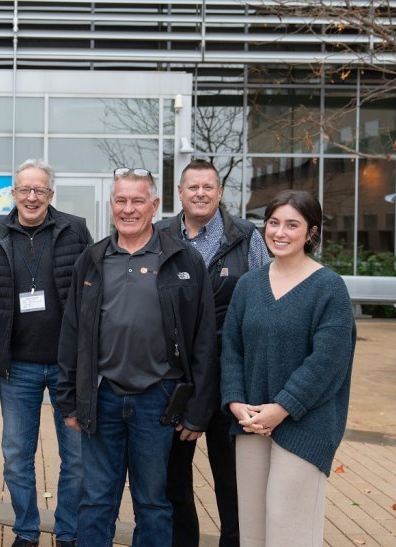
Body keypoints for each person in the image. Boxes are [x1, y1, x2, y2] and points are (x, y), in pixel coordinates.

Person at [57, 167, 217, 547]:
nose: (128, 209)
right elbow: (72, 334)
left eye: (137, 201)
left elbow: (204, 339)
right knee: (96, 500)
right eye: (121, 200)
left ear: (154, 205)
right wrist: (69, 400)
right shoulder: (92, 259)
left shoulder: (184, 260)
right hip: (103, 398)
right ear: (111, 204)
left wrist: (198, 410)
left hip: (158, 401)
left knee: (153, 503)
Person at [0, 159, 91, 547]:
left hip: (67, 366)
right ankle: (26, 530)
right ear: (14, 193)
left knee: (76, 459)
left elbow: (92, 295)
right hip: (15, 367)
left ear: (51, 194)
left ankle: (68, 532)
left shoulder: (75, 229)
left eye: (40, 190)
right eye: (25, 190)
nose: (32, 197)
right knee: (17, 457)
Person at [221, 190, 356, 546]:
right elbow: (231, 348)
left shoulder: (329, 288)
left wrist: (281, 408)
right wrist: (235, 402)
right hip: (251, 421)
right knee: (251, 530)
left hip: (304, 424)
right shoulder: (249, 285)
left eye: (292, 225)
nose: (279, 232)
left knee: (288, 529)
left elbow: (327, 362)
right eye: (273, 223)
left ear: (311, 232)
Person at [158, 159, 270, 547]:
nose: (201, 194)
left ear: (220, 193)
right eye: (193, 187)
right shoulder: (159, 237)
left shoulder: (247, 237)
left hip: (230, 378)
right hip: (174, 379)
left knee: (232, 481)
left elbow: (266, 300)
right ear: (181, 193)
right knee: (173, 480)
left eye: (209, 187)